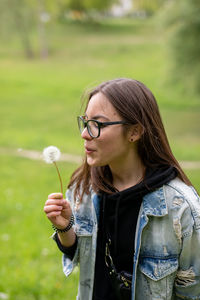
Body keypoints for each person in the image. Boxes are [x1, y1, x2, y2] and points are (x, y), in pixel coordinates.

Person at [44, 78, 200, 300]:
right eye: (85, 122)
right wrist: (65, 228)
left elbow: (192, 291)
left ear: (134, 132)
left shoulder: (181, 208)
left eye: (97, 124)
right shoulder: (84, 190)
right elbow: (84, 258)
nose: (85, 134)